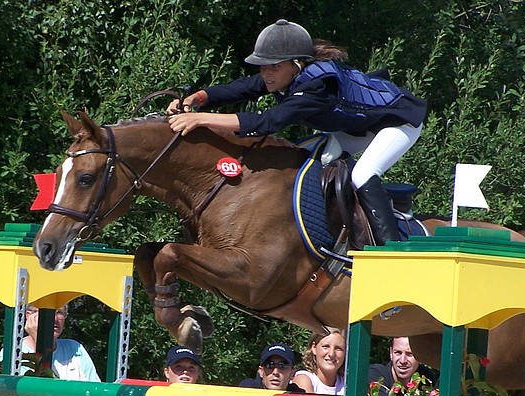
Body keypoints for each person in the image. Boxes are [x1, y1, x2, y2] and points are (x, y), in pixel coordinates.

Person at [166, 19, 427, 246]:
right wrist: (196, 99)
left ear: (296, 64)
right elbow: (241, 88)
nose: (266, 74)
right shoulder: (284, 75)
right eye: (263, 67)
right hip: (355, 128)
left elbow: (268, 122)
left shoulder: (316, 88)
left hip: (398, 122)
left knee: (362, 174)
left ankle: (390, 250)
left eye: (274, 67)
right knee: (309, 159)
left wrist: (199, 119)